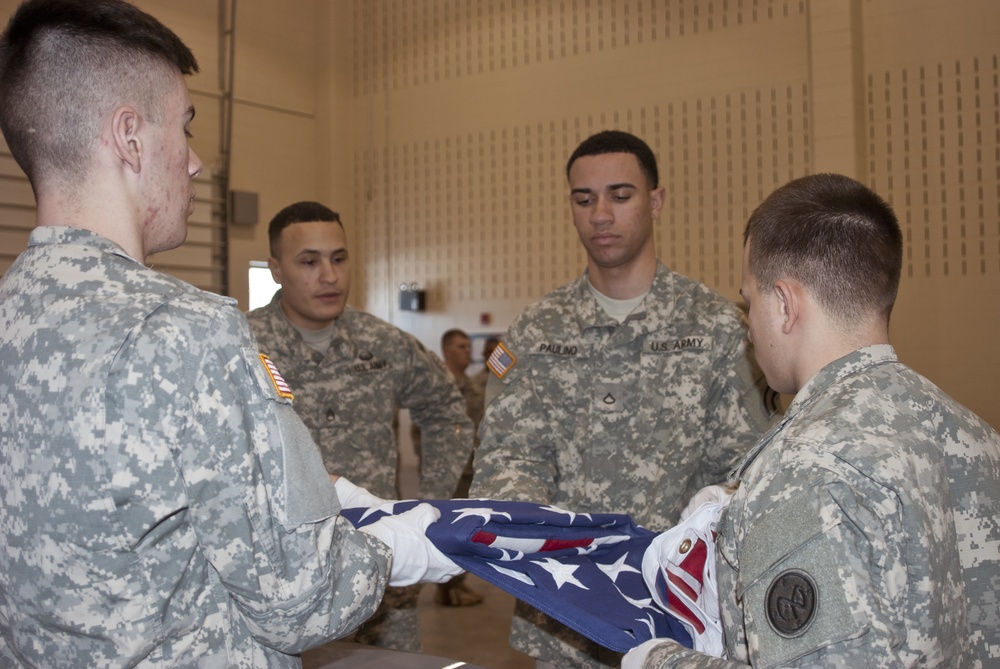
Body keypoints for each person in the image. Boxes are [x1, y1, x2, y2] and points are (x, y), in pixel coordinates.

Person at [0, 1, 460, 666]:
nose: (193, 163)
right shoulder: (187, 329)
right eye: (183, 129)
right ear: (129, 137)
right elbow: (300, 597)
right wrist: (396, 548)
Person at [623, 173, 1000, 668]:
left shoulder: (800, 470)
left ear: (784, 303)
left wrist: (659, 662)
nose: (750, 328)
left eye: (749, 300)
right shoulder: (975, 436)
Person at [471, 130, 776, 668]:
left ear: (656, 201)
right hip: (563, 610)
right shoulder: (535, 332)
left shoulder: (716, 328)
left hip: (677, 614)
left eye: (620, 194)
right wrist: (554, 550)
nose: (601, 215)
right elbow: (506, 459)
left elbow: (746, 474)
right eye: (583, 199)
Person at [246, 202, 475, 651]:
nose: (329, 275)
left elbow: (446, 407)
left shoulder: (382, 342)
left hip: (379, 577)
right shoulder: (241, 346)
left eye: (339, 258)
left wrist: (428, 502)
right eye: (309, 261)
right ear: (275, 269)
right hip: (278, 582)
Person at [432, 329, 486, 606]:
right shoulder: (439, 385)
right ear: (448, 350)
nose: (468, 351)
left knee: (467, 528)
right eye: (462, 347)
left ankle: (458, 582)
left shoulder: (471, 385)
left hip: (470, 468)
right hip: (448, 471)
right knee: (448, 529)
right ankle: (447, 588)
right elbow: (423, 431)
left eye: (468, 346)